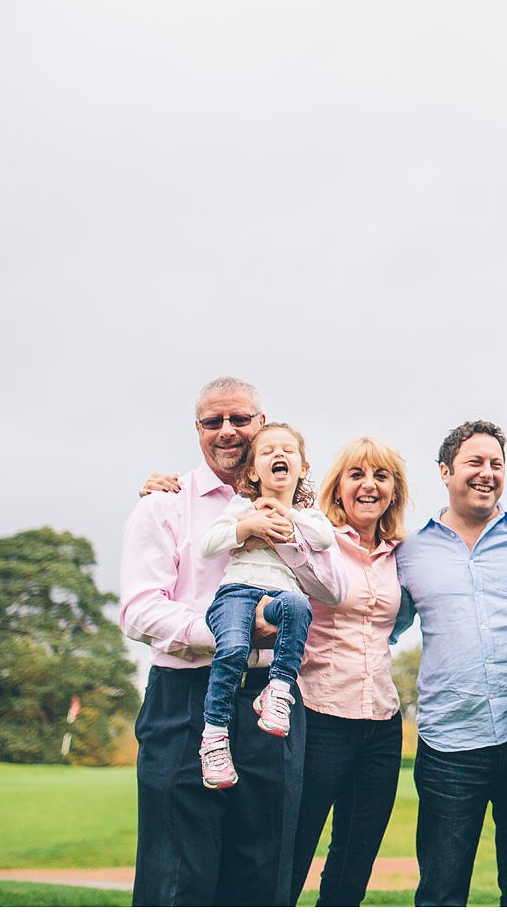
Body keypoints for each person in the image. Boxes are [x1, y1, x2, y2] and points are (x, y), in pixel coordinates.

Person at [119, 376, 346, 906]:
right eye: (212, 421)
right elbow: (138, 610)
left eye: (240, 419)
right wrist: (231, 636)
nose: (227, 431)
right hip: (183, 700)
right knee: (176, 878)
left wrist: (282, 530)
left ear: (261, 425)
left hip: (273, 699)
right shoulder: (164, 504)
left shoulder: (300, 510)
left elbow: (333, 589)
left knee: (263, 876)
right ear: (197, 429)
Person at [394, 419, 507, 906]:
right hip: (448, 744)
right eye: (474, 463)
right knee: (441, 890)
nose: (487, 474)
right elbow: (381, 624)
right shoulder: (409, 548)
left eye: (496, 465)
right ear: (445, 471)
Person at [288, 436, 410, 906]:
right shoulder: (315, 542)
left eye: (381, 476)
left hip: (381, 724)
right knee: (294, 850)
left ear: (394, 491)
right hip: (319, 715)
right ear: (337, 487)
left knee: (354, 864)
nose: (369, 485)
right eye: (356, 475)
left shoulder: (401, 553)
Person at [195, 422, 338, 788]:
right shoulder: (241, 505)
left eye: (288, 450)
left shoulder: (309, 515)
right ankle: (214, 736)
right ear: (253, 471)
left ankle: (277, 690)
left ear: (302, 468)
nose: (279, 455)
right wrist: (248, 525)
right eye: (268, 451)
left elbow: (324, 538)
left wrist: (285, 512)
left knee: (298, 607)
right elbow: (209, 544)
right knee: (233, 649)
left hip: (278, 596)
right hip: (236, 593)